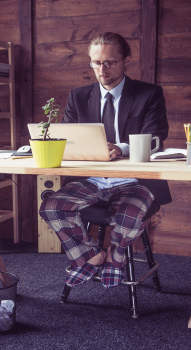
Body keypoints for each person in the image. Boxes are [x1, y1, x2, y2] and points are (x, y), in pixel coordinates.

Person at [39, 32, 169, 289]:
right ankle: (94, 256)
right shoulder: (78, 96)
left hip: (135, 181)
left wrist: (120, 148)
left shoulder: (149, 94)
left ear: (126, 61)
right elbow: (67, 138)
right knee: (51, 207)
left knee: (129, 216)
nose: (102, 68)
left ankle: (116, 257)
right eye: (96, 62)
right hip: (92, 180)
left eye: (110, 62)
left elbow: (156, 137)